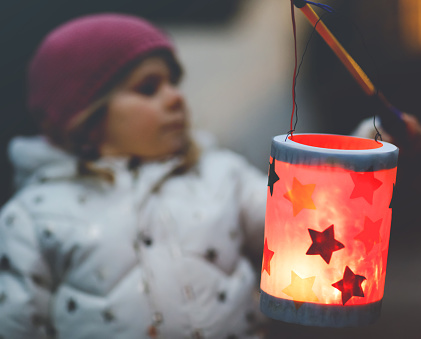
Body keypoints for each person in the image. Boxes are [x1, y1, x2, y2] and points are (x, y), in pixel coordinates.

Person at [0, 13, 267, 339]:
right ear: (86, 118)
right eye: (148, 88)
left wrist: (343, 162)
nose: (176, 97)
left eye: (174, 82)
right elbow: (17, 322)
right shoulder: (33, 216)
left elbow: (296, 222)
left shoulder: (222, 174)